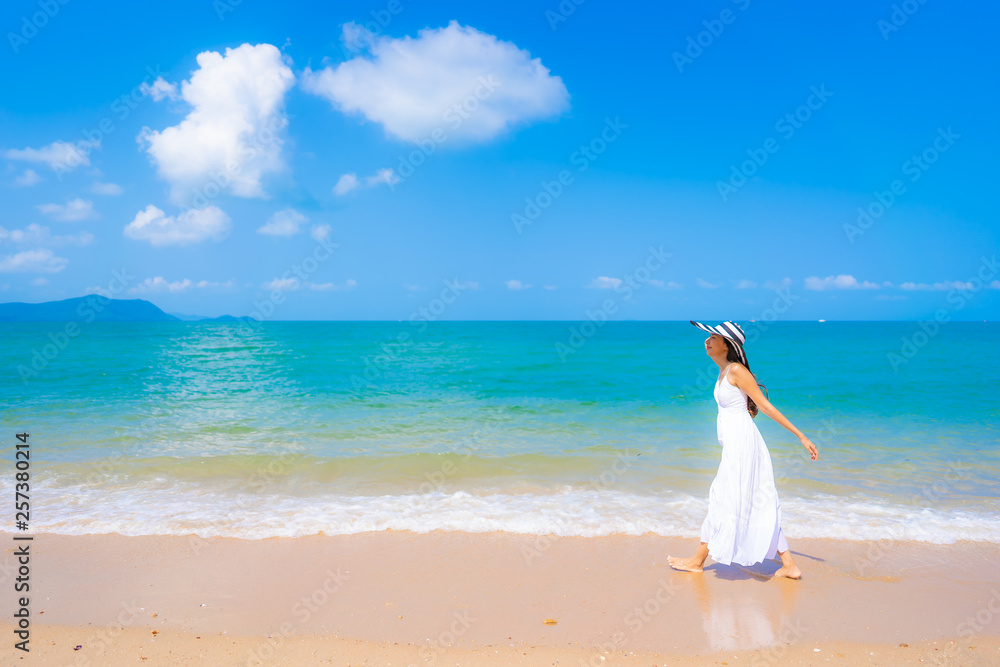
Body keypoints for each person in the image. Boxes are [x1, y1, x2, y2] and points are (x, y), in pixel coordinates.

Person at [668, 320, 818, 580]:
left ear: (727, 344)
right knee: (744, 499)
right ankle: (790, 565)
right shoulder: (724, 371)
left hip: (744, 446)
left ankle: (697, 561)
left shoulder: (736, 370)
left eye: (713, 337)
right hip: (734, 445)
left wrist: (801, 436)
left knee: (726, 498)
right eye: (708, 337)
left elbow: (766, 406)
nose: (707, 341)